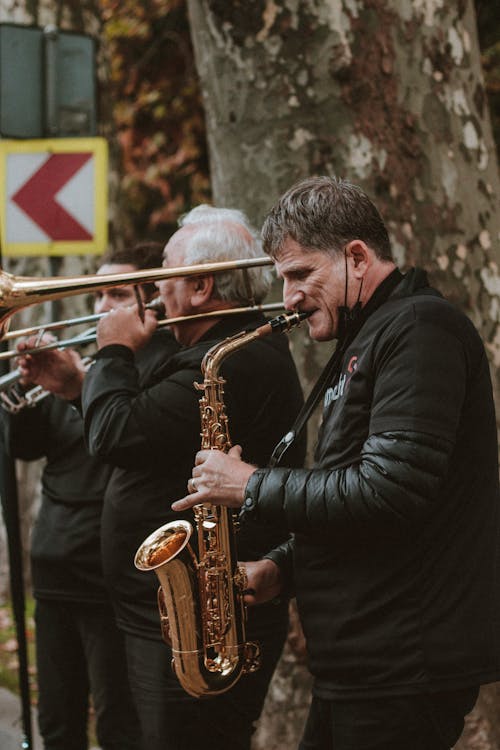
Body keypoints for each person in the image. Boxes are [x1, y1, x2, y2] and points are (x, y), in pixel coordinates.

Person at [174, 176, 500, 750]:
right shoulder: (370, 335)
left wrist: (251, 485)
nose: (289, 298)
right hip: (364, 662)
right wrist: (281, 569)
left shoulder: (420, 329)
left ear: (356, 257)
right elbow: (354, 500)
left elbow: (389, 491)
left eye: (302, 275)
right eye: (283, 279)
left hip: (402, 663)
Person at [19, 206, 306, 750]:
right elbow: (152, 434)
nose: (148, 294)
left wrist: (110, 350)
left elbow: (116, 437)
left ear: (200, 286)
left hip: (200, 618)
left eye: (162, 276)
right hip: (169, 611)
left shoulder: (222, 361)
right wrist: (80, 386)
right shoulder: (205, 353)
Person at [1, 243, 179, 750]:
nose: (101, 307)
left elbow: (119, 447)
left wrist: (82, 383)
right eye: (96, 293)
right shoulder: (91, 367)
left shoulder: (153, 372)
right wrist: (31, 393)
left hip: (108, 582)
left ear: (153, 302)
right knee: (57, 724)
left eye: (117, 294)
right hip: (55, 573)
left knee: (118, 723)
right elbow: (28, 448)